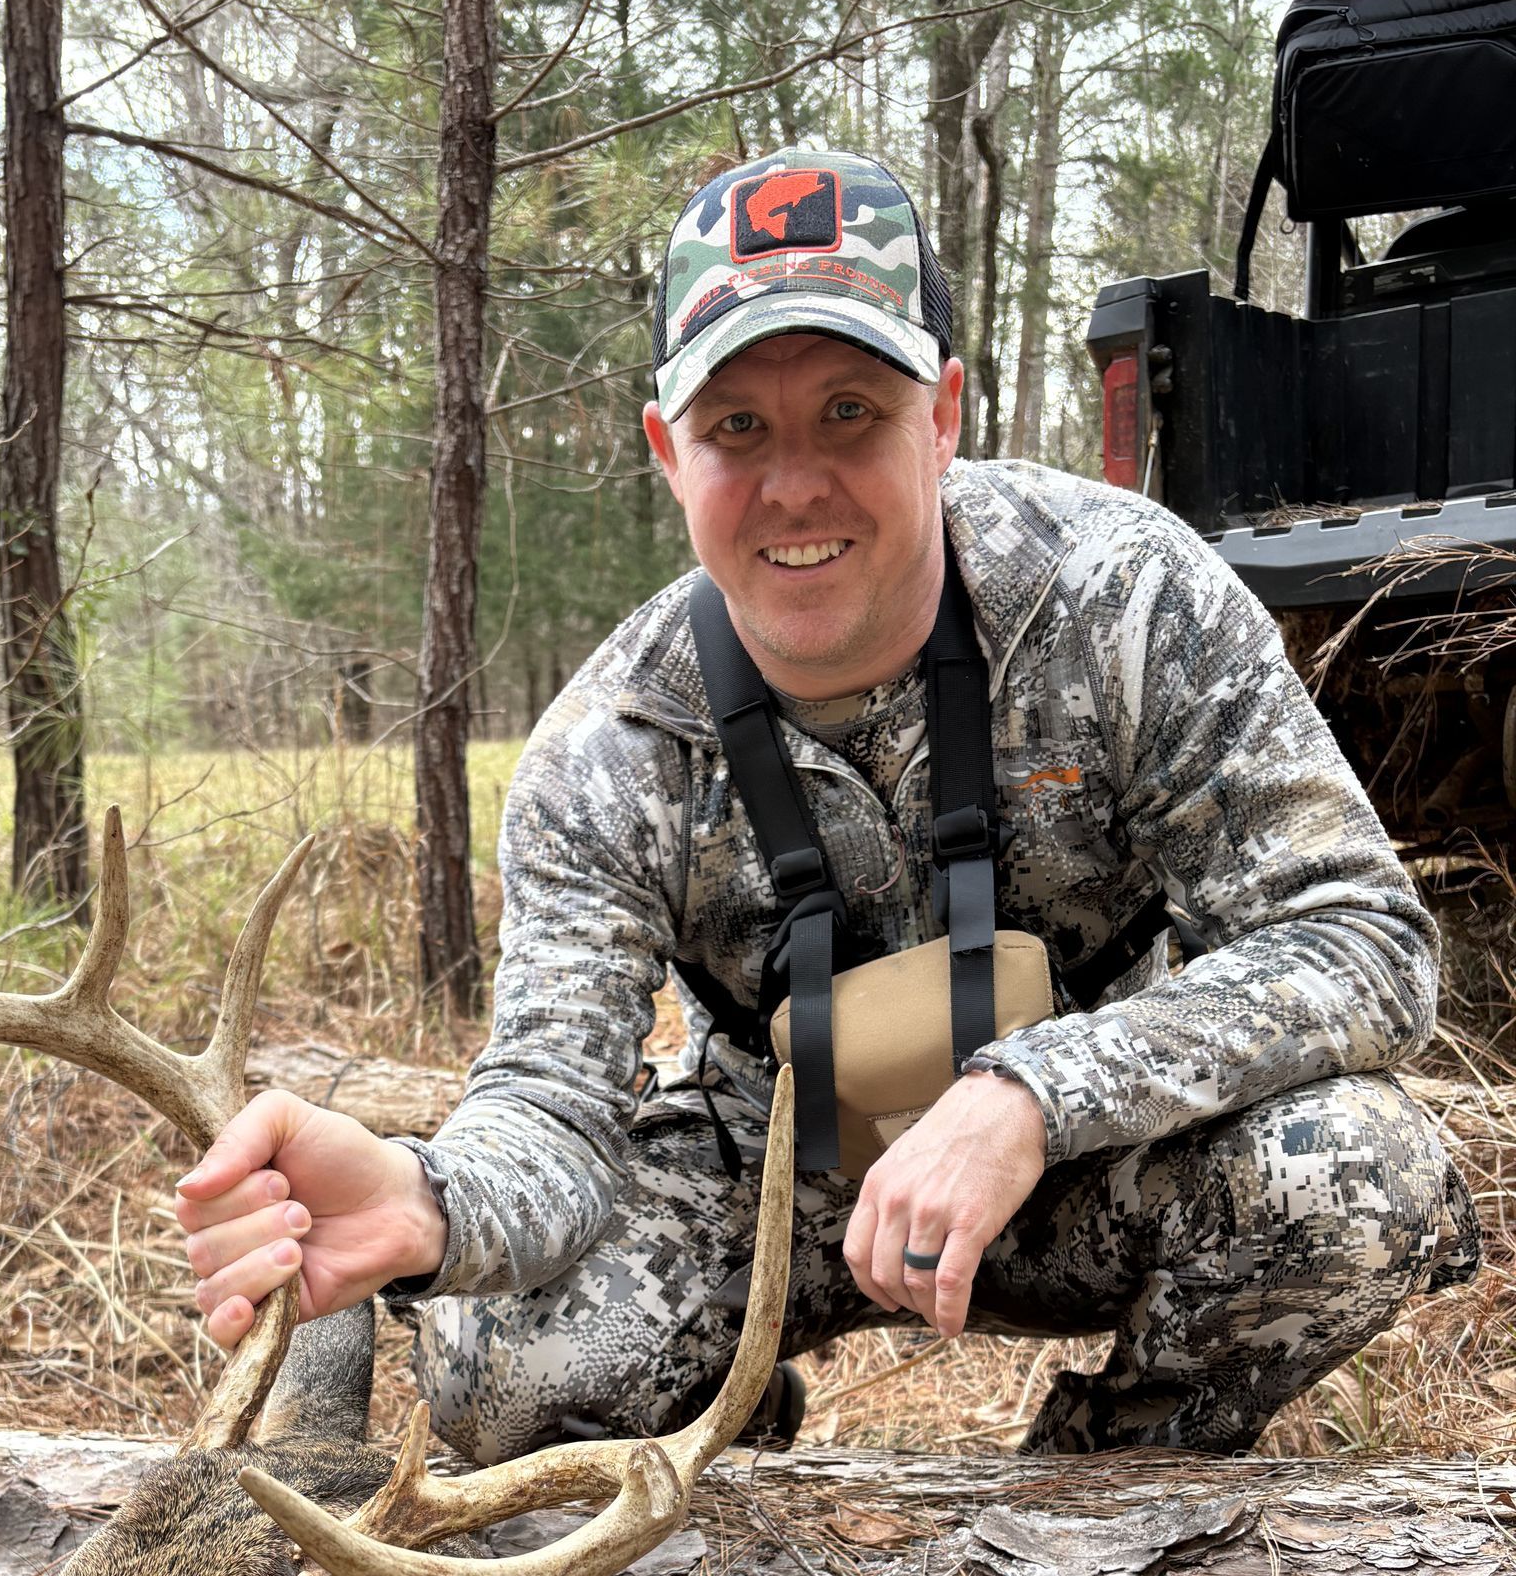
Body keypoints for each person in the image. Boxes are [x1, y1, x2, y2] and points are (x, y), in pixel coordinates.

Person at [175, 148, 1479, 1462]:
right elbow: (550, 1112)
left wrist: (1029, 1093)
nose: (794, 483)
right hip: (775, 1180)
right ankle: (727, 1429)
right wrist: (427, 1195)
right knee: (494, 1364)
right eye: (736, 426)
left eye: (850, 409)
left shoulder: (1125, 598)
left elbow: (1362, 945)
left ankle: (1112, 1500)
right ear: (665, 455)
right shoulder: (606, 751)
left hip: (1089, 1154)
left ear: (946, 412)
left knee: (1357, 1176)